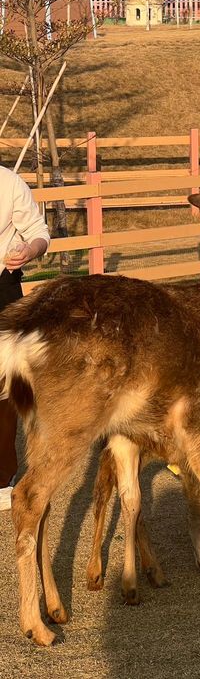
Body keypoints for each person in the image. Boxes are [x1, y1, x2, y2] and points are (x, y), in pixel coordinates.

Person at [0, 165, 50, 511]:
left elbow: (38, 232)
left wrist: (29, 250)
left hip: (2, 290)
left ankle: (2, 478)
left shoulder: (8, 183)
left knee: (4, 387)